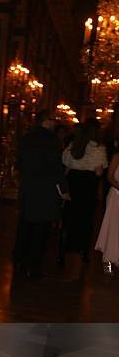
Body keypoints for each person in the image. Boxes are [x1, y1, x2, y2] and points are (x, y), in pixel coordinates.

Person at [13, 109, 69, 279]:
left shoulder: (26, 138)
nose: (54, 123)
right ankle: (34, 265)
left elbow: (19, 164)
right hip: (45, 191)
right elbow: (56, 168)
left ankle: (19, 260)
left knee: (24, 225)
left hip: (28, 188)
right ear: (46, 121)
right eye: (52, 120)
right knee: (41, 229)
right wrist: (64, 190)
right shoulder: (53, 141)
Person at [62, 118, 107, 262]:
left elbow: (66, 165)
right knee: (86, 219)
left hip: (73, 183)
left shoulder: (73, 145)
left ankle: (64, 249)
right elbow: (99, 173)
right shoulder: (98, 149)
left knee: (69, 217)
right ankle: (84, 251)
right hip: (88, 186)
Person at [95, 152, 119, 274]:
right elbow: (109, 177)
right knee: (111, 230)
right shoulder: (116, 156)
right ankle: (107, 268)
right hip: (116, 197)